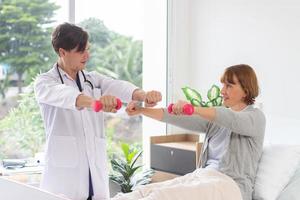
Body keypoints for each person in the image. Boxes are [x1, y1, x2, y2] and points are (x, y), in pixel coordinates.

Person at [34, 23, 162, 200]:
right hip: (64, 181)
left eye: (87, 49)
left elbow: (117, 86)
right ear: (62, 52)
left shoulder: (92, 79)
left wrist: (144, 95)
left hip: (95, 178)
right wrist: (97, 103)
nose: (87, 55)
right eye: (81, 51)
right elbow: (69, 96)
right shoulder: (45, 82)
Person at [125, 64, 266, 200]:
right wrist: (141, 110)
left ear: (246, 90)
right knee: (144, 192)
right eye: (223, 85)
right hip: (202, 177)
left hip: (231, 187)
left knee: (161, 196)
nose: (222, 91)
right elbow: (177, 117)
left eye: (229, 85)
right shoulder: (216, 120)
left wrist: (192, 107)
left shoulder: (256, 117)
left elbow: (231, 119)